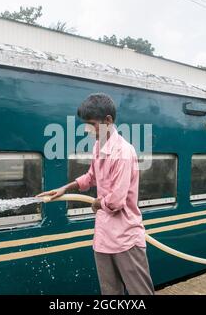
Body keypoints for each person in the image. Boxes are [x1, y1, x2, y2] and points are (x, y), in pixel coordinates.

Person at [37, 93, 155, 295]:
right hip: (103, 238)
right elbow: (91, 176)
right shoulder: (99, 146)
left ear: (108, 121)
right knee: (110, 293)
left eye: (91, 124)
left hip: (126, 239)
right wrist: (65, 188)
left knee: (140, 294)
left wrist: (97, 204)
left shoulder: (124, 153)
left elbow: (116, 201)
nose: (87, 129)